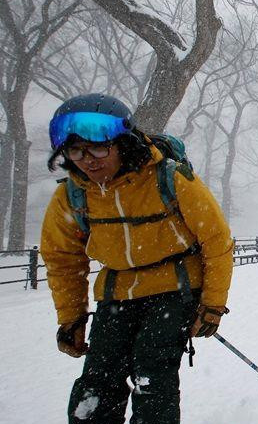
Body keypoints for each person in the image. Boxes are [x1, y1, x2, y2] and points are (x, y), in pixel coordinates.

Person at [40, 93, 234, 424]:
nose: (89, 160)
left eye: (99, 147)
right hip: (116, 294)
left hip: (175, 288)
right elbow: (62, 258)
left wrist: (212, 306)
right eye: (76, 150)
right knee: (98, 380)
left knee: (153, 374)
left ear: (122, 143)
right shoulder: (72, 195)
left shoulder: (169, 178)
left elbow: (216, 241)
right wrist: (71, 318)